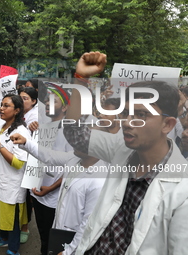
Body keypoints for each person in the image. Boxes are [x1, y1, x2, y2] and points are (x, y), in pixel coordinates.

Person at [63, 51, 188, 254]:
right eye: (126, 113)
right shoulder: (121, 150)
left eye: (141, 114)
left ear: (168, 124)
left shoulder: (182, 191)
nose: (128, 122)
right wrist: (81, 80)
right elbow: (75, 133)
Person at [0, 94, 31, 255]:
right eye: (1, 105)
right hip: (1, 179)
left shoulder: (21, 131)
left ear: (17, 110)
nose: (2, 109)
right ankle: (3, 239)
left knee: (13, 219)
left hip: (13, 183)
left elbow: (18, 162)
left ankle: (13, 249)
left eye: (6, 106)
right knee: (2, 214)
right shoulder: (4, 126)